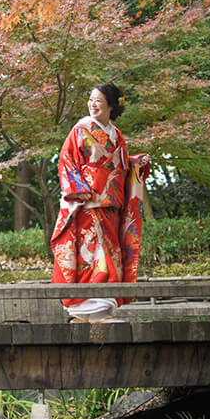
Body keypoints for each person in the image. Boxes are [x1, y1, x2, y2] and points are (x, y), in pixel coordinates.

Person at [49, 83, 151, 323]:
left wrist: (137, 164)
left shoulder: (116, 135)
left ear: (111, 105)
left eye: (98, 100)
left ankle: (102, 309)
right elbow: (67, 161)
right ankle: (86, 309)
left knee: (111, 254)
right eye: (91, 100)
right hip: (88, 202)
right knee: (90, 253)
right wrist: (79, 190)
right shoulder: (81, 129)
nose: (93, 104)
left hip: (111, 205)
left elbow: (122, 167)